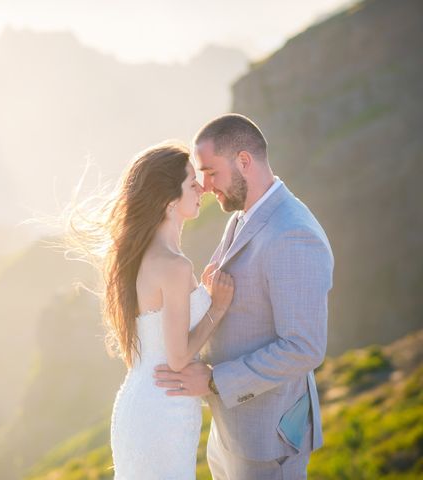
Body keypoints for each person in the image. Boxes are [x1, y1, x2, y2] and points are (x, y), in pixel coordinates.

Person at [153, 114, 334, 479]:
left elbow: (304, 347)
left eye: (211, 172)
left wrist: (215, 381)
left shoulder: (293, 235)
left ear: (244, 162)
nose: (204, 185)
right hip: (230, 433)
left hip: (268, 442)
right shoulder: (242, 215)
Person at [65, 140, 234, 478]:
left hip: (146, 402)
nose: (202, 187)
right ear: (170, 200)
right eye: (191, 183)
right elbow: (177, 358)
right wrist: (216, 307)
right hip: (163, 412)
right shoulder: (173, 265)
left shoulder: (146, 257)